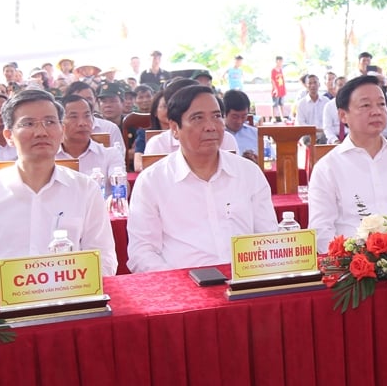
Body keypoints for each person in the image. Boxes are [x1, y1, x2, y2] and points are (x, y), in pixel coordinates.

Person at [0, 89, 117, 279]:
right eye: (28, 123)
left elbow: (104, 258)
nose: (41, 132)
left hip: (68, 301)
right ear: (9, 135)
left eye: (50, 122)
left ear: (61, 132)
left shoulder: (85, 189)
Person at [128, 85, 277, 272]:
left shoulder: (249, 173)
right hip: (183, 289)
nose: (211, 126)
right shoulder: (152, 181)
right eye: (198, 118)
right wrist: (177, 285)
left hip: (245, 282)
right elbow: (142, 252)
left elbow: (268, 236)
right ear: (174, 128)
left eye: (216, 116)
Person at [308, 75, 387, 251]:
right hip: (354, 268)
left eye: (381, 104)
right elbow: (321, 231)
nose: (376, 111)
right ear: (343, 115)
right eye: (366, 105)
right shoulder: (327, 168)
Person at [58, 94, 125, 176]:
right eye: (74, 117)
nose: (82, 123)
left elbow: (122, 186)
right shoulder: (49, 157)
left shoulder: (110, 155)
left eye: (87, 116)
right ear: (59, 122)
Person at [222, 89, 258, 160]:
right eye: (235, 117)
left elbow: (271, 158)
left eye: (244, 116)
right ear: (224, 114)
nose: (239, 121)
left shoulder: (255, 134)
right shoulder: (218, 136)